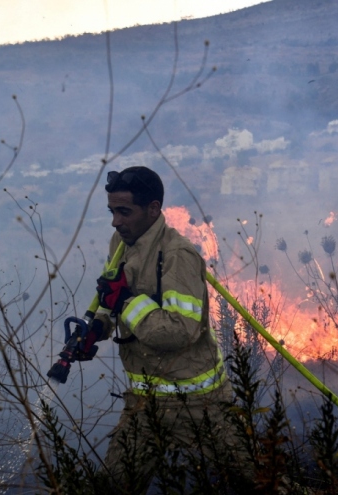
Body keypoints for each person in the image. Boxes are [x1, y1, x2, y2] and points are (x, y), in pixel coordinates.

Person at [85, 166, 243, 493]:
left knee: (260, 481)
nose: (115, 220)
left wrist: (126, 303)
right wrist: (97, 328)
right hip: (144, 406)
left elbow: (177, 332)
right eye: (112, 211)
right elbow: (110, 295)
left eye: (124, 211)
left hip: (200, 406)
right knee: (112, 487)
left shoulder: (178, 255)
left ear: (153, 209)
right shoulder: (121, 241)